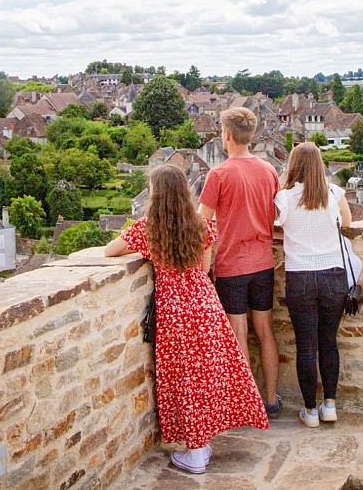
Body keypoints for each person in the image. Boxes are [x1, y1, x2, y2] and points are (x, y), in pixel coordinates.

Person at [105, 165, 269, 474]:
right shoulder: (201, 225)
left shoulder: (148, 228)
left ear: (156, 195)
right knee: (207, 374)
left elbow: (109, 251)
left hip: (175, 311)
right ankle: (201, 442)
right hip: (205, 304)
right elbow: (205, 267)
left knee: (184, 379)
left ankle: (194, 451)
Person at [198, 107, 282, 418]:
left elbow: (202, 222)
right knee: (266, 331)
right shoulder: (268, 170)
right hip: (263, 262)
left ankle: (247, 406)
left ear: (228, 135)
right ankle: (271, 399)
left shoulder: (218, 174)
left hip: (233, 264)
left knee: (239, 334)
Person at [274, 142, 352, 428]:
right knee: (328, 342)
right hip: (333, 273)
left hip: (301, 275)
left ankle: (309, 410)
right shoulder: (333, 193)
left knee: (306, 346)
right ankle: (329, 403)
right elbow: (347, 222)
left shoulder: (284, 198)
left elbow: (276, 223)